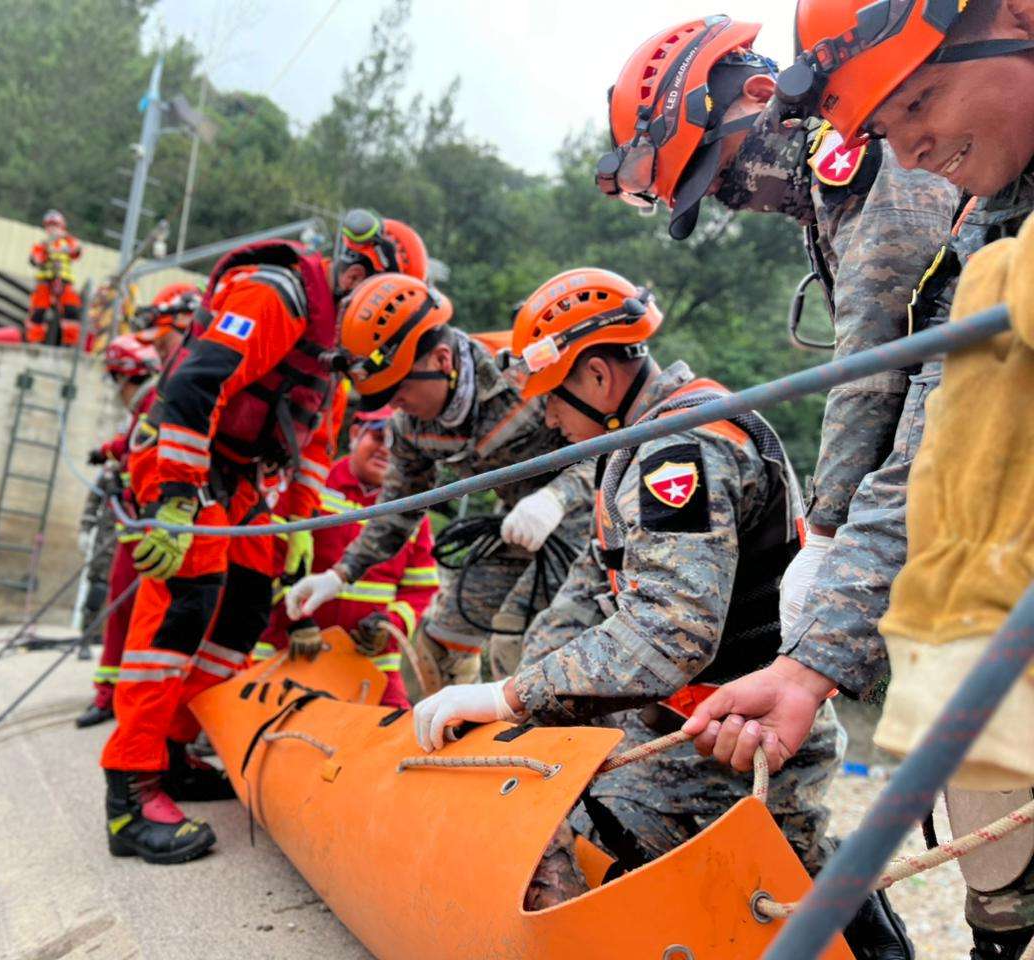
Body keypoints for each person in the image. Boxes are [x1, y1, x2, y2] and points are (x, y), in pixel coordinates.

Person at [408, 268, 911, 955]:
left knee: (665, 863)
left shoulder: (682, 451)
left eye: (551, 401)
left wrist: (511, 696)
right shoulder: (640, 444)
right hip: (685, 724)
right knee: (567, 818)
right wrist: (517, 711)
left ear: (595, 378)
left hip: (729, 745)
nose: (548, 421)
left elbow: (669, 635)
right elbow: (586, 594)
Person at [680, 1, 1034, 955]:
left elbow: (874, 371)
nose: (911, 146)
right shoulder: (992, 230)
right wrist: (813, 663)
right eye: (883, 127)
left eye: (920, 98)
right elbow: (935, 444)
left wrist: (827, 535)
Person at [598, 14, 957, 658]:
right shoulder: (820, 204)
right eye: (714, 192)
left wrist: (823, 531)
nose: (738, 197)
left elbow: (877, 349)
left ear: (763, 97)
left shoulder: (859, 151)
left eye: (726, 168)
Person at [99, 213, 429, 865]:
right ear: (358, 278)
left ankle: (175, 745)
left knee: (248, 607)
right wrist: (172, 494)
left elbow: (309, 442)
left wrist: (295, 527)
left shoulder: (338, 349)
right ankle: (130, 792)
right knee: (184, 612)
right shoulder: (276, 295)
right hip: (184, 467)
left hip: (247, 485)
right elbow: (195, 389)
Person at [287, 272, 595, 687]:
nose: (394, 404)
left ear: (442, 361)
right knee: (439, 647)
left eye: (398, 389)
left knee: (519, 644)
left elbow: (612, 446)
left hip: (588, 519)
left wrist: (556, 498)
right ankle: (460, 742)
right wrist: (339, 575)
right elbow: (399, 509)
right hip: (514, 525)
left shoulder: (527, 372)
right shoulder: (411, 427)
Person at [255, 405, 439, 710]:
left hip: (368, 663)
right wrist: (295, 621)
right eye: (379, 437)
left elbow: (422, 589)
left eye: (397, 443)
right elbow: (266, 562)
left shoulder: (412, 511)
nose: (386, 450)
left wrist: (389, 624)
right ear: (355, 434)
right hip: (290, 650)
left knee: (396, 742)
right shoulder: (311, 488)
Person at [74, 335, 162, 728]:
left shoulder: (151, 402)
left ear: (123, 376)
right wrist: (108, 451)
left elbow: (142, 455)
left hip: (147, 527)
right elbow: (130, 443)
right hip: (137, 526)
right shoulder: (148, 401)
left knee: (127, 612)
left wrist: (120, 474)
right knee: (120, 608)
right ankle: (112, 693)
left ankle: (115, 696)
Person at [28, 209, 82, 345]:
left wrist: (65, 239)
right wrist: (45, 251)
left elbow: (77, 250)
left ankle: (70, 342)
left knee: (72, 310)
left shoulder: (68, 241)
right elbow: (35, 260)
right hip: (45, 283)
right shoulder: (41, 245)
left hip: (65, 283)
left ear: (62, 226)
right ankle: (35, 341)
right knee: (38, 311)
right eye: (50, 225)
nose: (53, 228)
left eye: (55, 225)